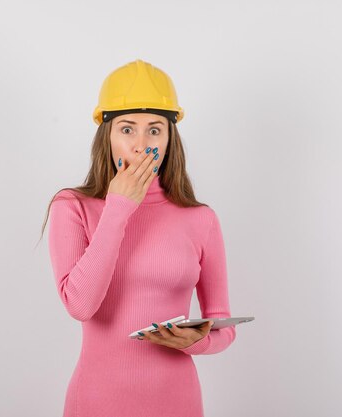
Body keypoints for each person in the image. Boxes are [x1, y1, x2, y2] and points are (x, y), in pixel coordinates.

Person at [41, 59, 237, 417]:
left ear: (169, 138)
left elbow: (222, 323)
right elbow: (80, 306)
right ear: (108, 135)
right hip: (96, 402)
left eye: (155, 130)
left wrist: (200, 340)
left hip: (177, 403)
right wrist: (118, 209)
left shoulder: (201, 219)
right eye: (128, 129)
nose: (141, 144)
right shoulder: (72, 207)